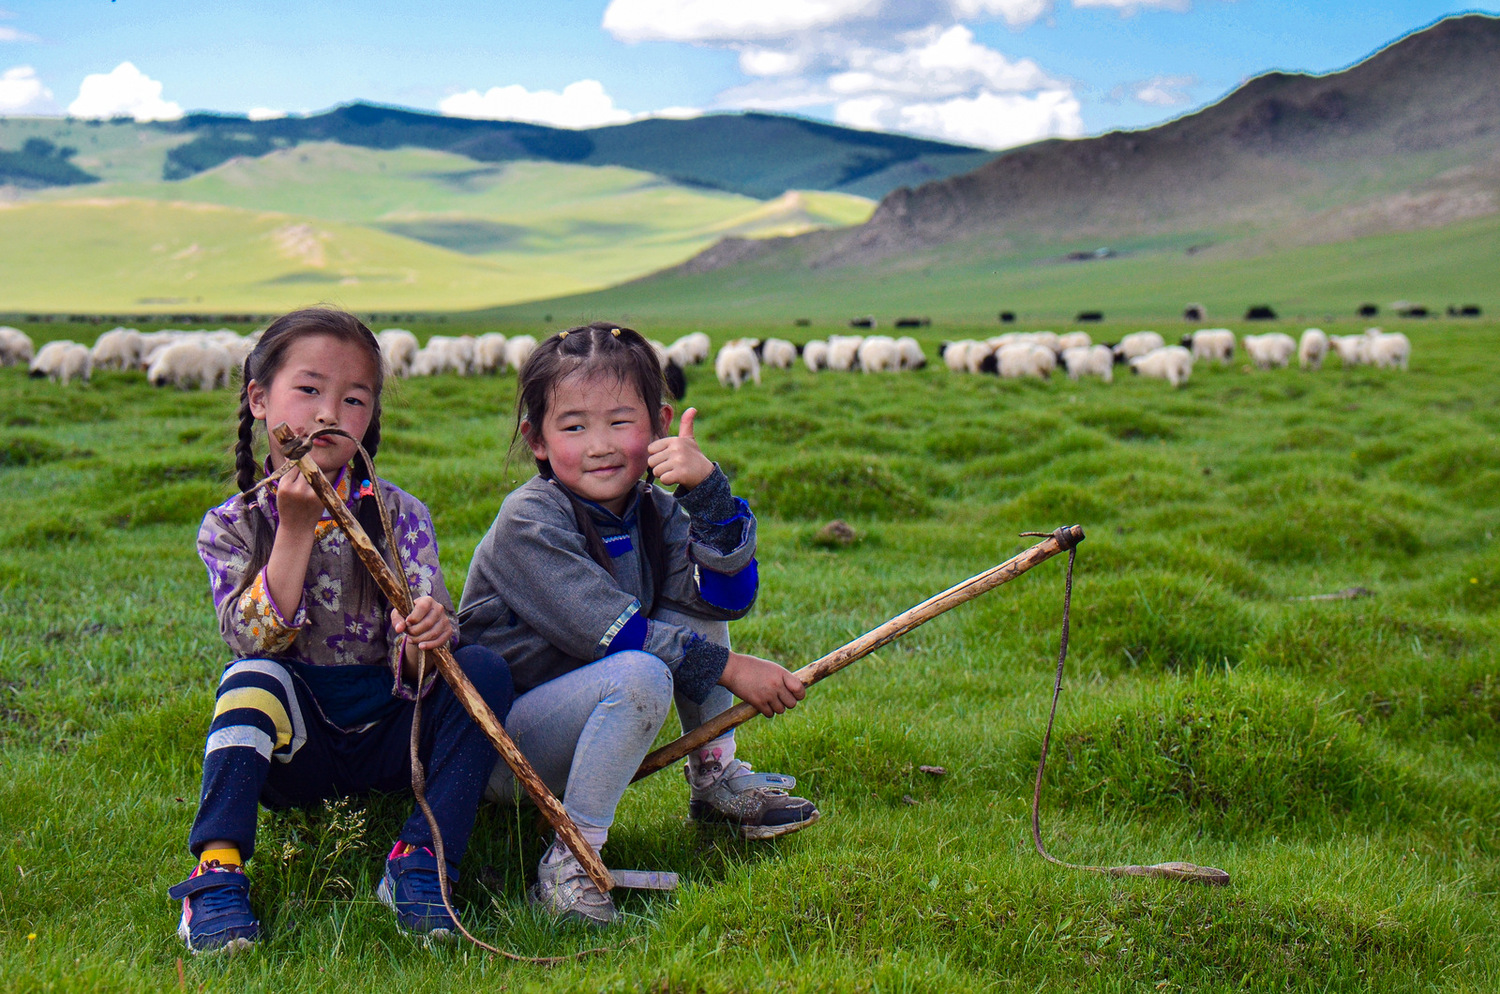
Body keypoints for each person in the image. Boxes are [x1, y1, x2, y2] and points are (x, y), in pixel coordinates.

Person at [171, 308, 514, 953]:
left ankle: (421, 858)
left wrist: (427, 640)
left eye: (353, 399)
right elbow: (251, 640)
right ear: (258, 397)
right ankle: (215, 872)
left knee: (485, 671)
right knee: (251, 679)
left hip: (392, 737)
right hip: (298, 749)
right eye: (309, 390)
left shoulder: (401, 515)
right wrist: (296, 529)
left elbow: (422, 672)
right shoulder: (233, 525)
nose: (329, 412)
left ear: (370, 417)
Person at [459, 321, 818, 927]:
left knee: (685, 621)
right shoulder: (530, 520)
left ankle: (714, 780)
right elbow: (615, 634)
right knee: (642, 672)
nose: (599, 445)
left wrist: (707, 493)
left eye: (620, 422)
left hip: (584, 717)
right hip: (503, 746)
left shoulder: (652, 508)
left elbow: (726, 598)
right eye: (574, 426)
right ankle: (573, 859)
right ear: (537, 439)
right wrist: (733, 670)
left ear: (658, 423)